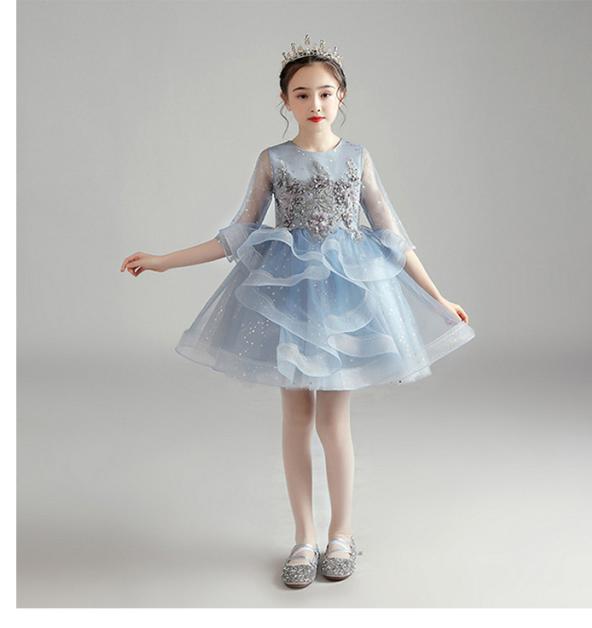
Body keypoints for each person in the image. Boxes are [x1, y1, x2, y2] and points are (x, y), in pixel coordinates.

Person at [119, 34, 475, 589]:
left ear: (341, 96)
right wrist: (165, 261)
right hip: (289, 294)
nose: (315, 103)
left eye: (325, 93)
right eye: (302, 94)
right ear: (284, 100)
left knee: (334, 421)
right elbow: (239, 231)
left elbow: (392, 233)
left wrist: (437, 296)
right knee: (295, 418)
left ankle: (342, 534)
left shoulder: (358, 158)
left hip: (347, 297)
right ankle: (304, 538)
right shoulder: (274, 159)